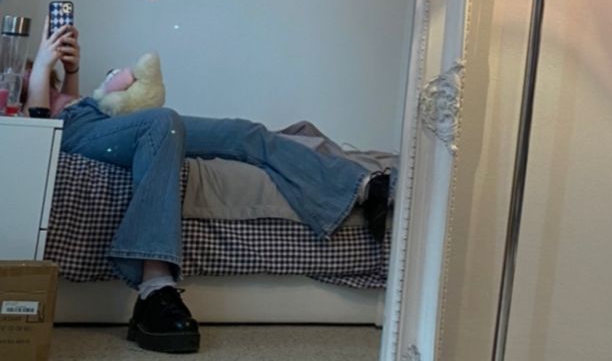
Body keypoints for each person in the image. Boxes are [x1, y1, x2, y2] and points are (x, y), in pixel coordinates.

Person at [26, 22, 390, 355]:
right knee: (163, 121)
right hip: (71, 132)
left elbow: (72, 102)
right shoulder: (25, 79)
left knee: (244, 132)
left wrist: (69, 69)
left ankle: (360, 187)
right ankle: (155, 284)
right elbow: (36, 124)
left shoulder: (63, 88)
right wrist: (40, 65)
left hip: (103, 118)